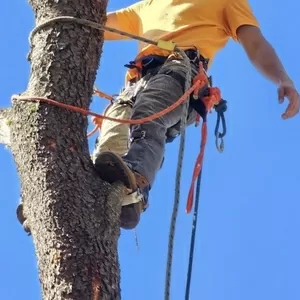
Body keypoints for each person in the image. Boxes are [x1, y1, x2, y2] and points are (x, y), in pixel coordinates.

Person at [93, 0, 300, 230]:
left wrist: (282, 78)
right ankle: (106, 193)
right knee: (110, 143)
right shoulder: (148, 5)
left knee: (149, 114)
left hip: (180, 71)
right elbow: (95, 21)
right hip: (135, 84)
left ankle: (137, 183)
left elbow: (255, 43)